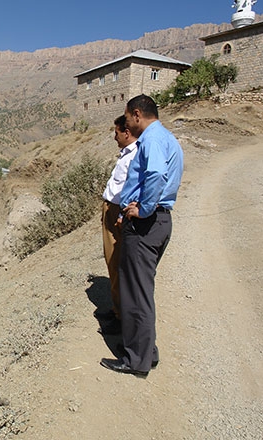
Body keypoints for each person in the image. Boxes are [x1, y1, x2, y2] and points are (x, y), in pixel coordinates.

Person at [100, 94, 184, 378]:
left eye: (126, 118)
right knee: (142, 291)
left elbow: (158, 175)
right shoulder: (167, 138)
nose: (126, 124)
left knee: (135, 294)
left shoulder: (151, 140)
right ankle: (148, 352)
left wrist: (143, 209)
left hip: (148, 224)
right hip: (159, 222)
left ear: (137, 115)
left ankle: (136, 360)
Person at [96, 115, 138, 335]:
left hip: (118, 212)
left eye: (117, 132)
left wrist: (120, 214)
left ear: (127, 132)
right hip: (112, 210)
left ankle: (122, 317)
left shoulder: (135, 156)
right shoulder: (127, 155)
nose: (115, 137)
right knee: (112, 262)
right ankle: (116, 310)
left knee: (117, 263)